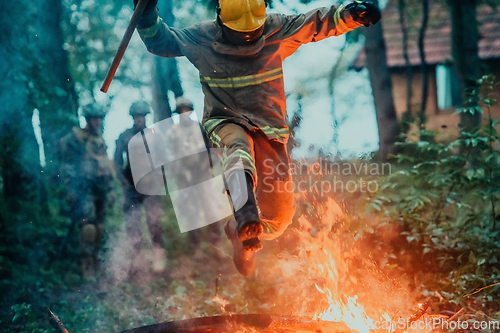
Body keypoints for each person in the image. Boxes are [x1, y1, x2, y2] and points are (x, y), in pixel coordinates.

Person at [133, 0, 381, 275]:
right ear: (221, 21)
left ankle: (241, 230)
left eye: (253, 34)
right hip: (225, 121)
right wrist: (146, 12)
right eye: (240, 35)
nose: (248, 41)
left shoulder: (276, 29)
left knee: (280, 217)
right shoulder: (202, 37)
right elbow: (160, 40)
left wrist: (352, 14)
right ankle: (245, 213)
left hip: (269, 129)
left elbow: (316, 23)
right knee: (238, 149)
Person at [59, 103, 115, 278]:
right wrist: (71, 188)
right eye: (94, 118)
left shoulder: (100, 139)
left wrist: (111, 188)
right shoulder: (74, 138)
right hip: (84, 187)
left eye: (99, 118)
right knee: (88, 226)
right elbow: (66, 165)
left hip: (101, 188)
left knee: (100, 226)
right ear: (88, 119)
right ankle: (87, 264)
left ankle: (97, 260)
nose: (98, 121)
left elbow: (106, 165)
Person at [114, 101, 167, 273]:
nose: (139, 119)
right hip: (131, 185)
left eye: (142, 116)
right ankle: (138, 260)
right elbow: (117, 159)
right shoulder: (125, 136)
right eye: (137, 116)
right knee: (133, 224)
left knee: (154, 223)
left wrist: (161, 178)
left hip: (151, 185)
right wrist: (121, 178)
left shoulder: (154, 135)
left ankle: (158, 259)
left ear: (146, 117)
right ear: (132, 118)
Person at [170, 97, 222, 258]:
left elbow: (210, 149)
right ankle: (197, 247)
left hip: (203, 174)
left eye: (187, 110)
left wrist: (206, 164)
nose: (184, 114)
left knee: (211, 209)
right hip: (185, 177)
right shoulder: (173, 132)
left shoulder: (199, 128)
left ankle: (216, 245)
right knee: (190, 212)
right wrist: (181, 171)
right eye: (181, 111)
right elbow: (170, 155)